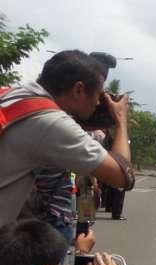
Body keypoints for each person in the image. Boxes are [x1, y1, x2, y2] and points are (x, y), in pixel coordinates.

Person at [0, 50, 135, 227]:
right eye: (97, 94)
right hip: (52, 218)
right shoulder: (52, 123)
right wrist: (120, 120)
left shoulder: (12, 96)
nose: (97, 103)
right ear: (79, 89)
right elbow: (122, 176)